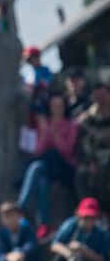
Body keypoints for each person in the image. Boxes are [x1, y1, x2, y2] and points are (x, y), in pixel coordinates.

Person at [17, 94, 79, 239]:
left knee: (37, 167)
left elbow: (67, 152)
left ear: (64, 107)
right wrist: (45, 134)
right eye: (53, 106)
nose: (56, 109)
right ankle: (44, 224)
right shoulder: (44, 125)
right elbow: (38, 151)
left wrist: (56, 134)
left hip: (65, 167)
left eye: (59, 106)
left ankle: (20, 207)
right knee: (42, 181)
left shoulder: (72, 124)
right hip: (48, 167)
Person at [37, 197, 109, 261]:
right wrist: (70, 255)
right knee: (60, 257)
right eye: (84, 217)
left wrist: (83, 250)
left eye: (91, 217)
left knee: (79, 257)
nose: (87, 220)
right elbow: (55, 245)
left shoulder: (102, 234)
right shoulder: (71, 224)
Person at [75, 81, 110, 214]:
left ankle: (105, 211)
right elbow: (83, 144)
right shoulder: (89, 118)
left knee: (103, 173)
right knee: (81, 174)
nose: (100, 101)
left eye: (103, 96)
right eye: (97, 97)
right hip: (95, 157)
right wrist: (89, 161)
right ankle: (88, 211)